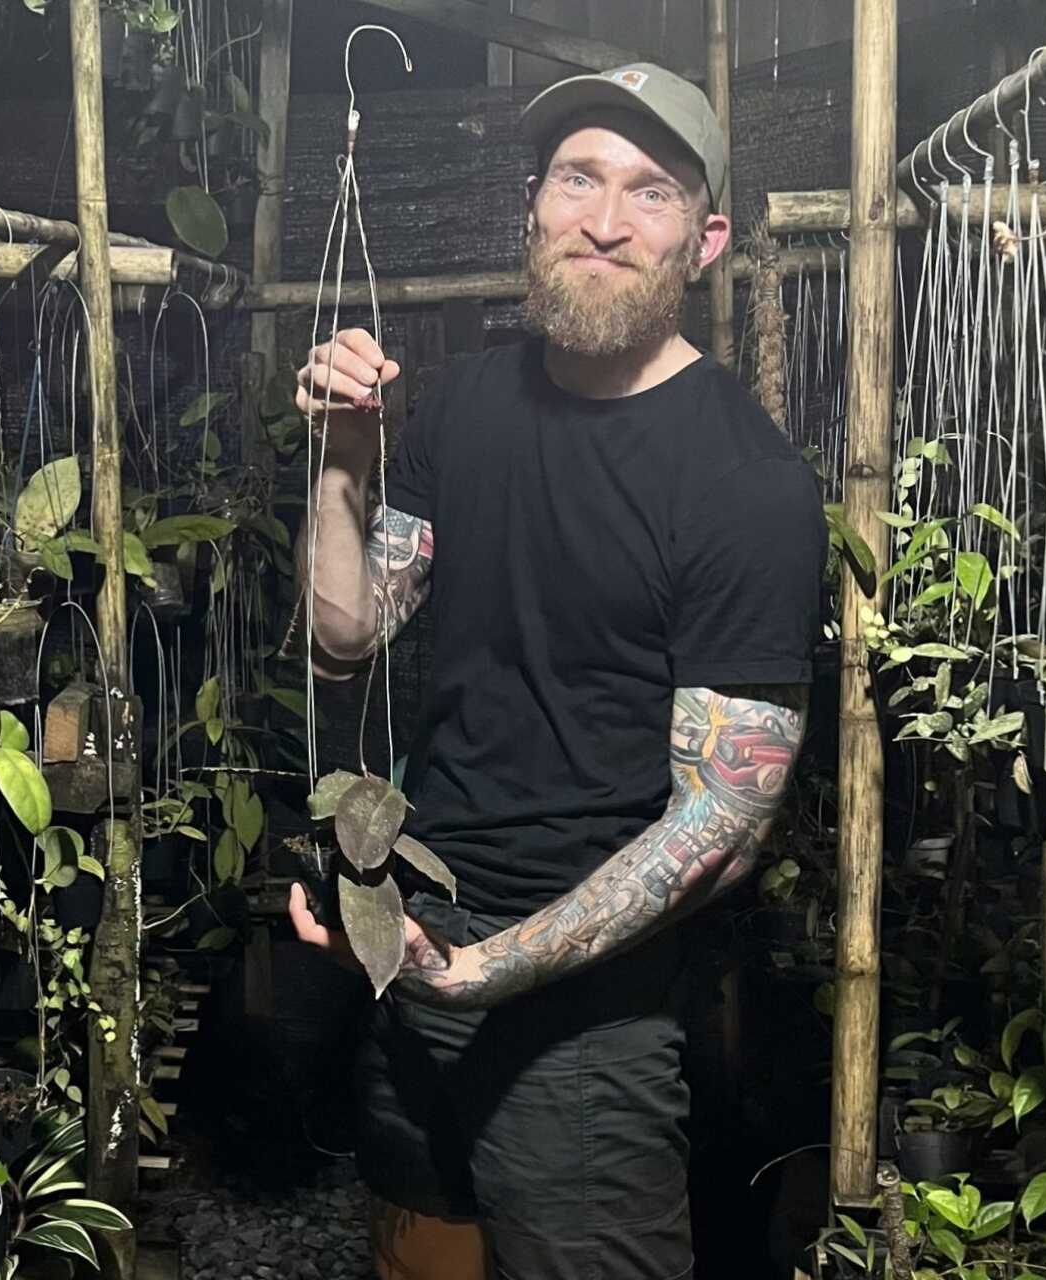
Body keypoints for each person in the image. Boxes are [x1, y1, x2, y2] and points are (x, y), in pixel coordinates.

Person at [286, 61, 826, 1280]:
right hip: (415, 939)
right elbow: (345, 632)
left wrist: (488, 969)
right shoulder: (468, 404)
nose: (605, 217)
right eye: (579, 178)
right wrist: (340, 463)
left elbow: (723, 824)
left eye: (650, 192)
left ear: (707, 238)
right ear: (533, 206)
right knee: (421, 1249)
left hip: (585, 1020)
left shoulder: (746, 484)